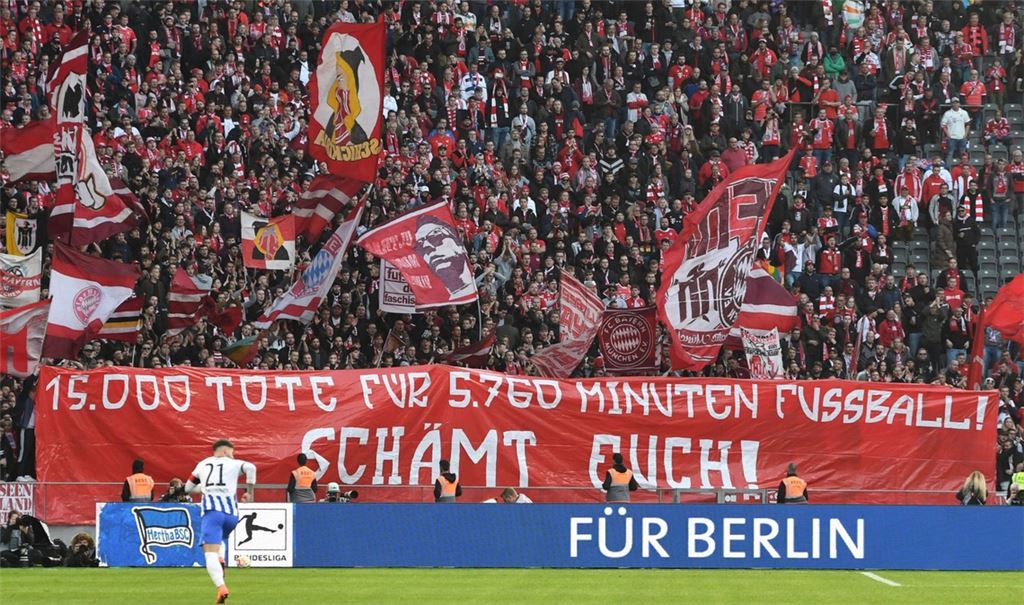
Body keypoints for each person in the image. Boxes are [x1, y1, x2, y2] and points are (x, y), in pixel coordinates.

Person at [184, 439, 256, 604]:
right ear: (225, 451)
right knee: (221, 539)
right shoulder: (235, 464)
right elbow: (251, 468)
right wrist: (249, 492)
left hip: (213, 513)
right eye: (232, 452)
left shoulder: (202, 464)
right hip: (232, 515)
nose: (233, 455)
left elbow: (187, 488)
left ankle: (221, 587)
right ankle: (221, 558)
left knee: (209, 553)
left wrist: (204, 488)